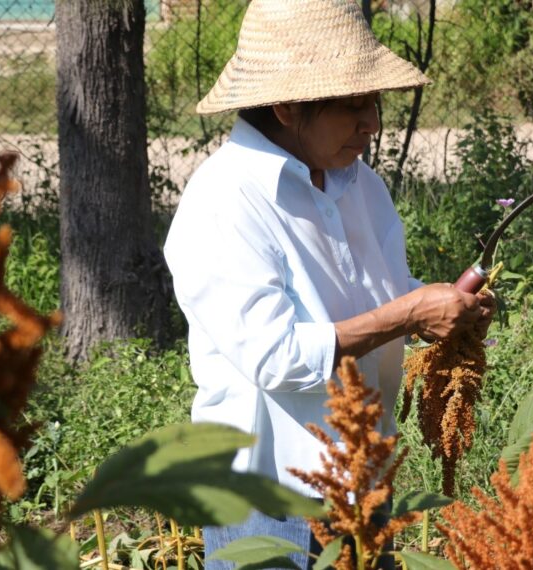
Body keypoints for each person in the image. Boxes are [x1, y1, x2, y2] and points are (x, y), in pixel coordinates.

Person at [163, 1, 493, 567]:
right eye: (353, 105)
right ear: (289, 105)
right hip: (269, 498)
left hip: (361, 473)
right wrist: (410, 313)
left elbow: (378, 295)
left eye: (375, 102)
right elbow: (276, 356)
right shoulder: (225, 200)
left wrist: (440, 305)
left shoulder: (357, 182)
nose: (372, 122)